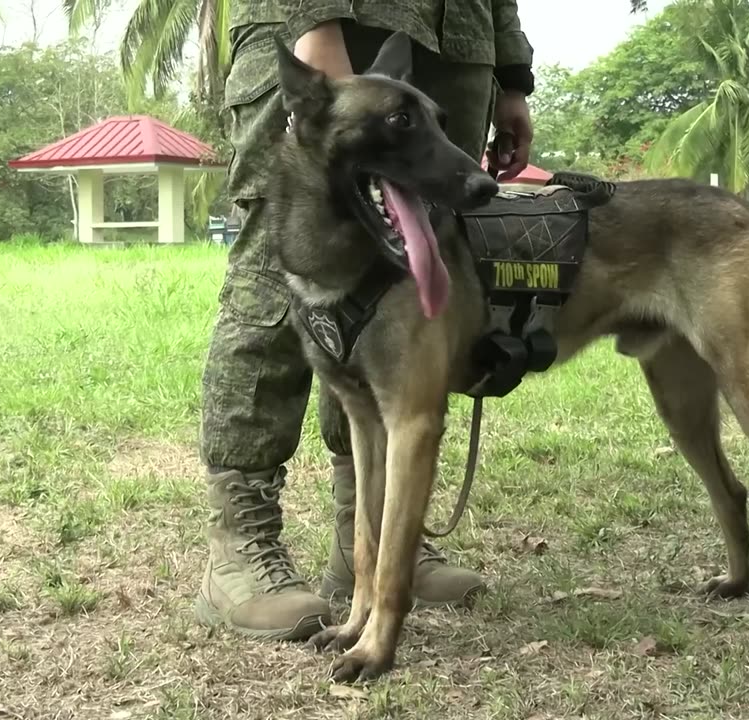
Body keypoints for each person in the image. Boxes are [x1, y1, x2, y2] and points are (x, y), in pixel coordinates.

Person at [195, 2, 536, 641]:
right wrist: (314, 29)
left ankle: (371, 547)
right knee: (277, 274)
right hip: (325, 30)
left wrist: (512, 73)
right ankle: (240, 544)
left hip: (451, 48)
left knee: (409, 280)